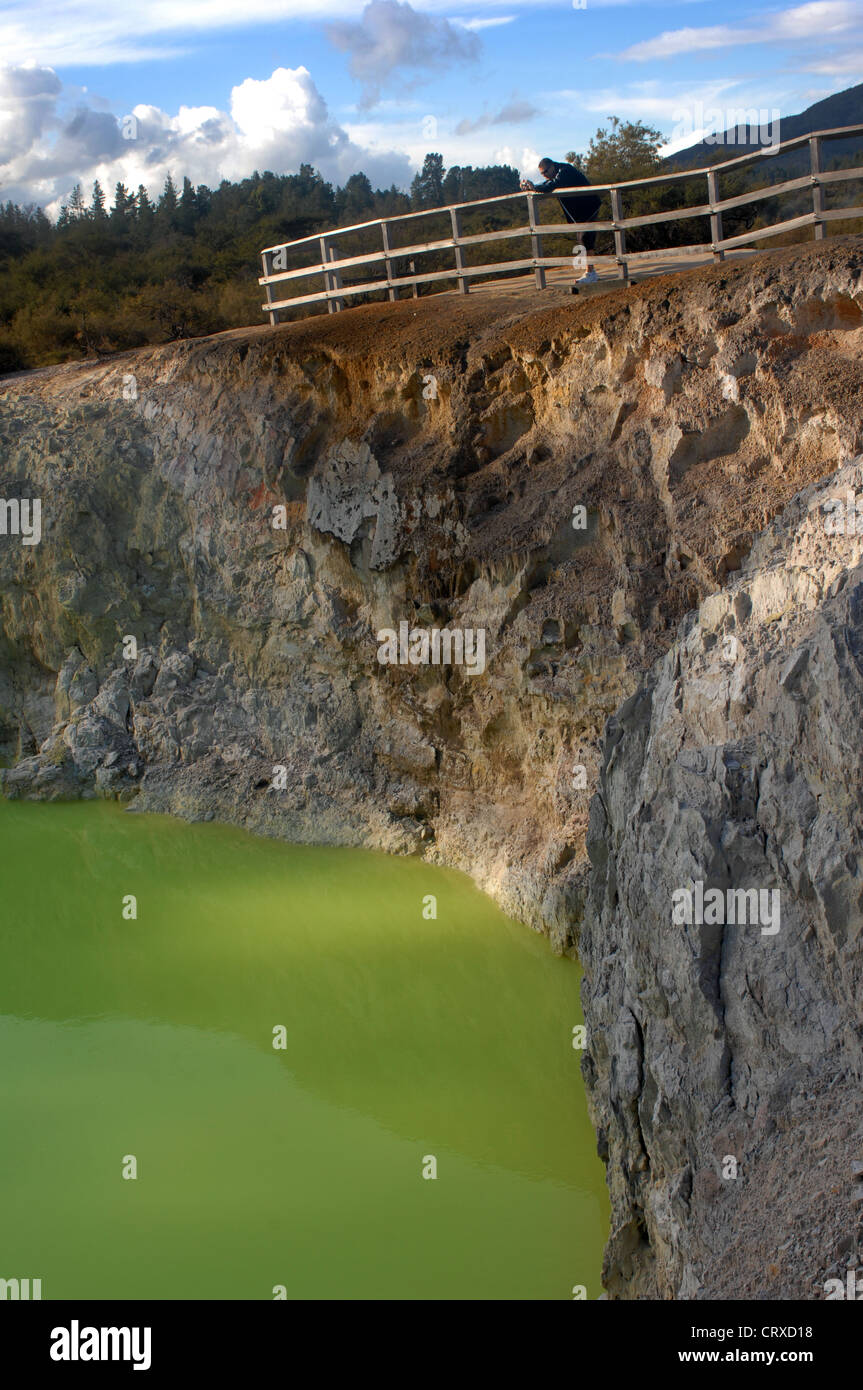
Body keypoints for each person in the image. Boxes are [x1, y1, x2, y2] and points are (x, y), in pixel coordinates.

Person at [520, 157, 602, 287]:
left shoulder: (565, 171)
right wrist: (532, 187)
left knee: (586, 238)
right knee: (583, 239)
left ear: (552, 166)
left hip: (589, 207)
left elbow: (552, 185)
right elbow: (548, 184)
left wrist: (534, 187)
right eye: (542, 174)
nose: (545, 175)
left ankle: (591, 273)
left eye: (546, 172)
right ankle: (590, 272)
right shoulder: (558, 173)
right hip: (582, 211)